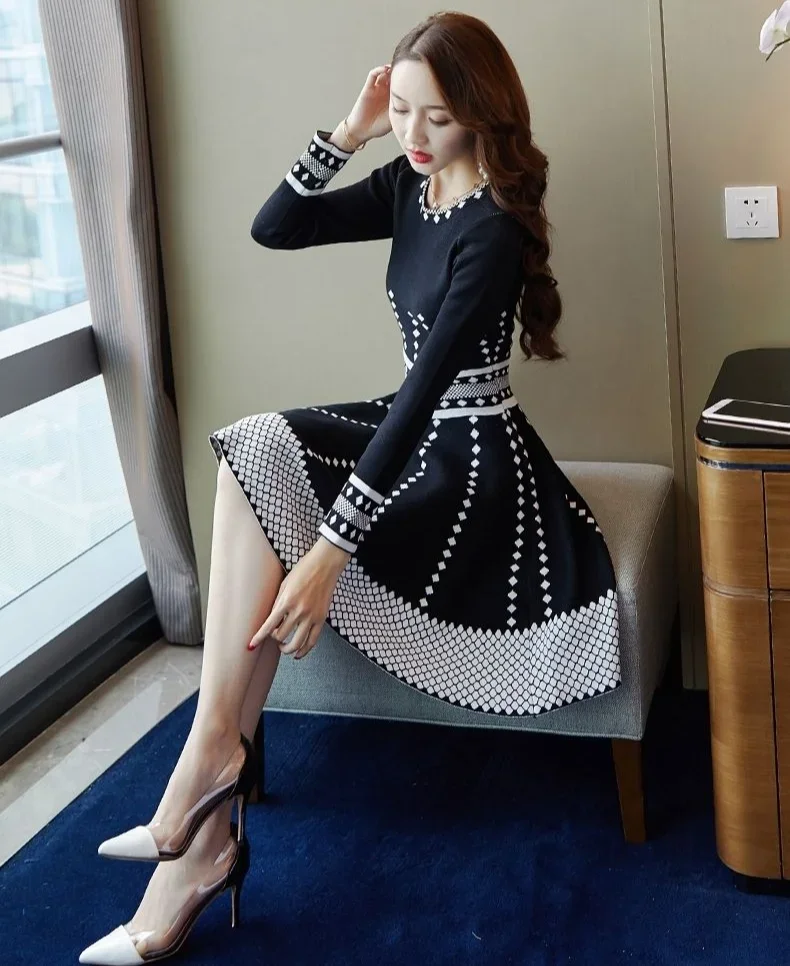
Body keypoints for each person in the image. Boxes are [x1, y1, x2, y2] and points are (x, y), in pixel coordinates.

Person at [78, 11, 621, 964]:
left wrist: (332, 549)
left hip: (473, 469)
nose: (414, 135)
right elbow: (276, 227)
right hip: (410, 432)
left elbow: (424, 399)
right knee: (251, 447)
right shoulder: (409, 184)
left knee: (266, 470)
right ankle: (213, 774)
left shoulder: (492, 231)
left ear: (485, 114)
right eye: (401, 110)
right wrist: (349, 130)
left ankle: (201, 820)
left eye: (436, 118)